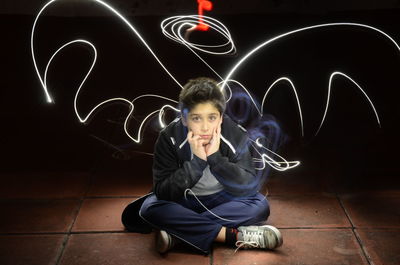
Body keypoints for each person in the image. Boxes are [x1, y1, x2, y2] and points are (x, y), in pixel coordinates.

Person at [130, 77, 282, 254]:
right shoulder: (168, 137)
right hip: (185, 201)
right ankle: (233, 236)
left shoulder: (236, 134)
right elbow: (163, 190)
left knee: (260, 205)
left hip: (222, 201)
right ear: (185, 119)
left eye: (212, 118)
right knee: (150, 208)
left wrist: (215, 158)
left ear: (221, 119)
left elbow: (247, 184)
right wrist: (197, 163)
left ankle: (177, 236)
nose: (205, 127)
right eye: (196, 118)